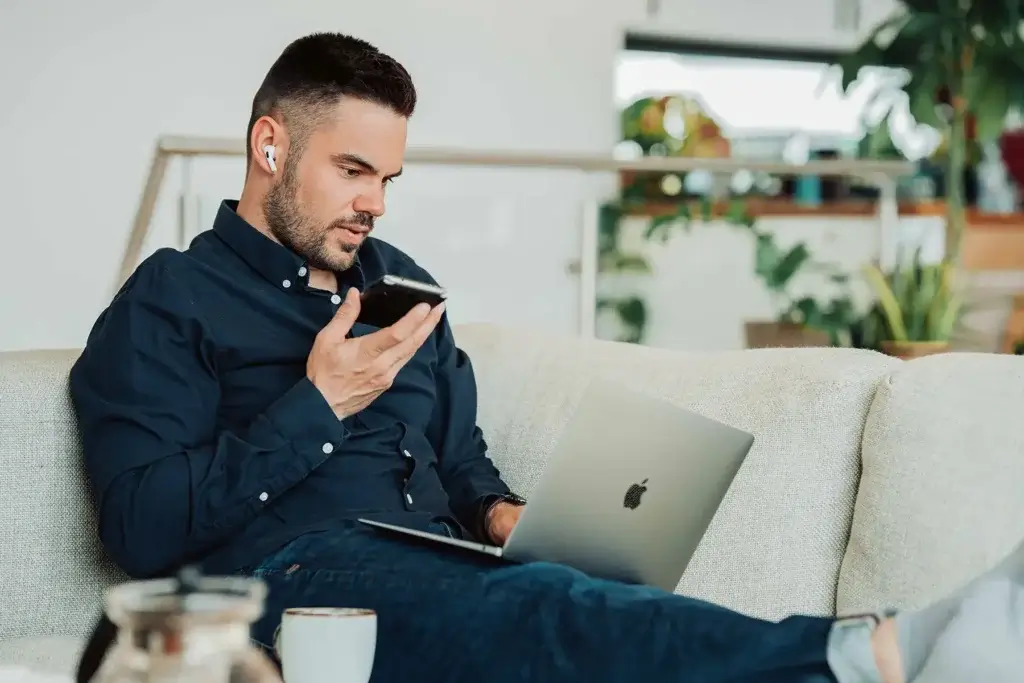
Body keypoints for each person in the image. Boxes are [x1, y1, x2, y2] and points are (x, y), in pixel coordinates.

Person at [69, 32, 1022, 683]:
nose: (377, 205)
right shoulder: (169, 300)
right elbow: (141, 528)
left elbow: (462, 464)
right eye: (352, 172)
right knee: (552, 613)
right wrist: (317, 406)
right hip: (294, 583)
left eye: (389, 177)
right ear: (269, 147)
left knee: (565, 594)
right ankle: (871, 654)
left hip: (432, 567)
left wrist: (504, 515)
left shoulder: (404, 285)